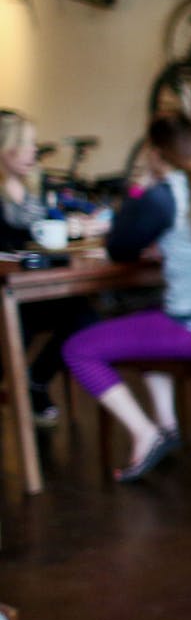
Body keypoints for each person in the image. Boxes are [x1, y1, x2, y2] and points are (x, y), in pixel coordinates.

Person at [62, 114, 191, 482]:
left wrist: (140, 191)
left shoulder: (163, 197)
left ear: (155, 152)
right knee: (149, 314)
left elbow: (119, 249)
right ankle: (167, 426)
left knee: (78, 349)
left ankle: (144, 433)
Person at [0, 109, 102, 426]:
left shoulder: (33, 191)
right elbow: (16, 237)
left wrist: (76, 226)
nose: (34, 150)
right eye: (25, 143)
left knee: (84, 316)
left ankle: (36, 381)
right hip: (8, 293)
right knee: (18, 322)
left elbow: (46, 228)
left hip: (36, 289)